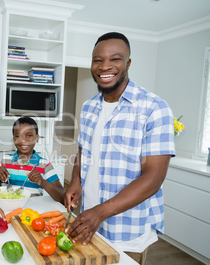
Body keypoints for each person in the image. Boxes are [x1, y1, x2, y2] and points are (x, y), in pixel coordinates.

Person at [64, 32, 175, 265]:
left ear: (128, 63)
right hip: (89, 223)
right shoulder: (89, 107)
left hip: (128, 231)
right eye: (98, 60)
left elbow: (154, 177)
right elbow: (84, 151)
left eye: (115, 59)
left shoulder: (154, 108)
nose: (105, 66)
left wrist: (100, 213)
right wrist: (76, 181)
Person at [0, 116, 65, 203]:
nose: (23, 140)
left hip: (33, 211)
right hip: (8, 208)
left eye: (29, 135)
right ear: (13, 139)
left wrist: (43, 182)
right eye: (18, 136)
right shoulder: (6, 160)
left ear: (37, 138)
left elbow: (62, 196)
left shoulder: (44, 164)